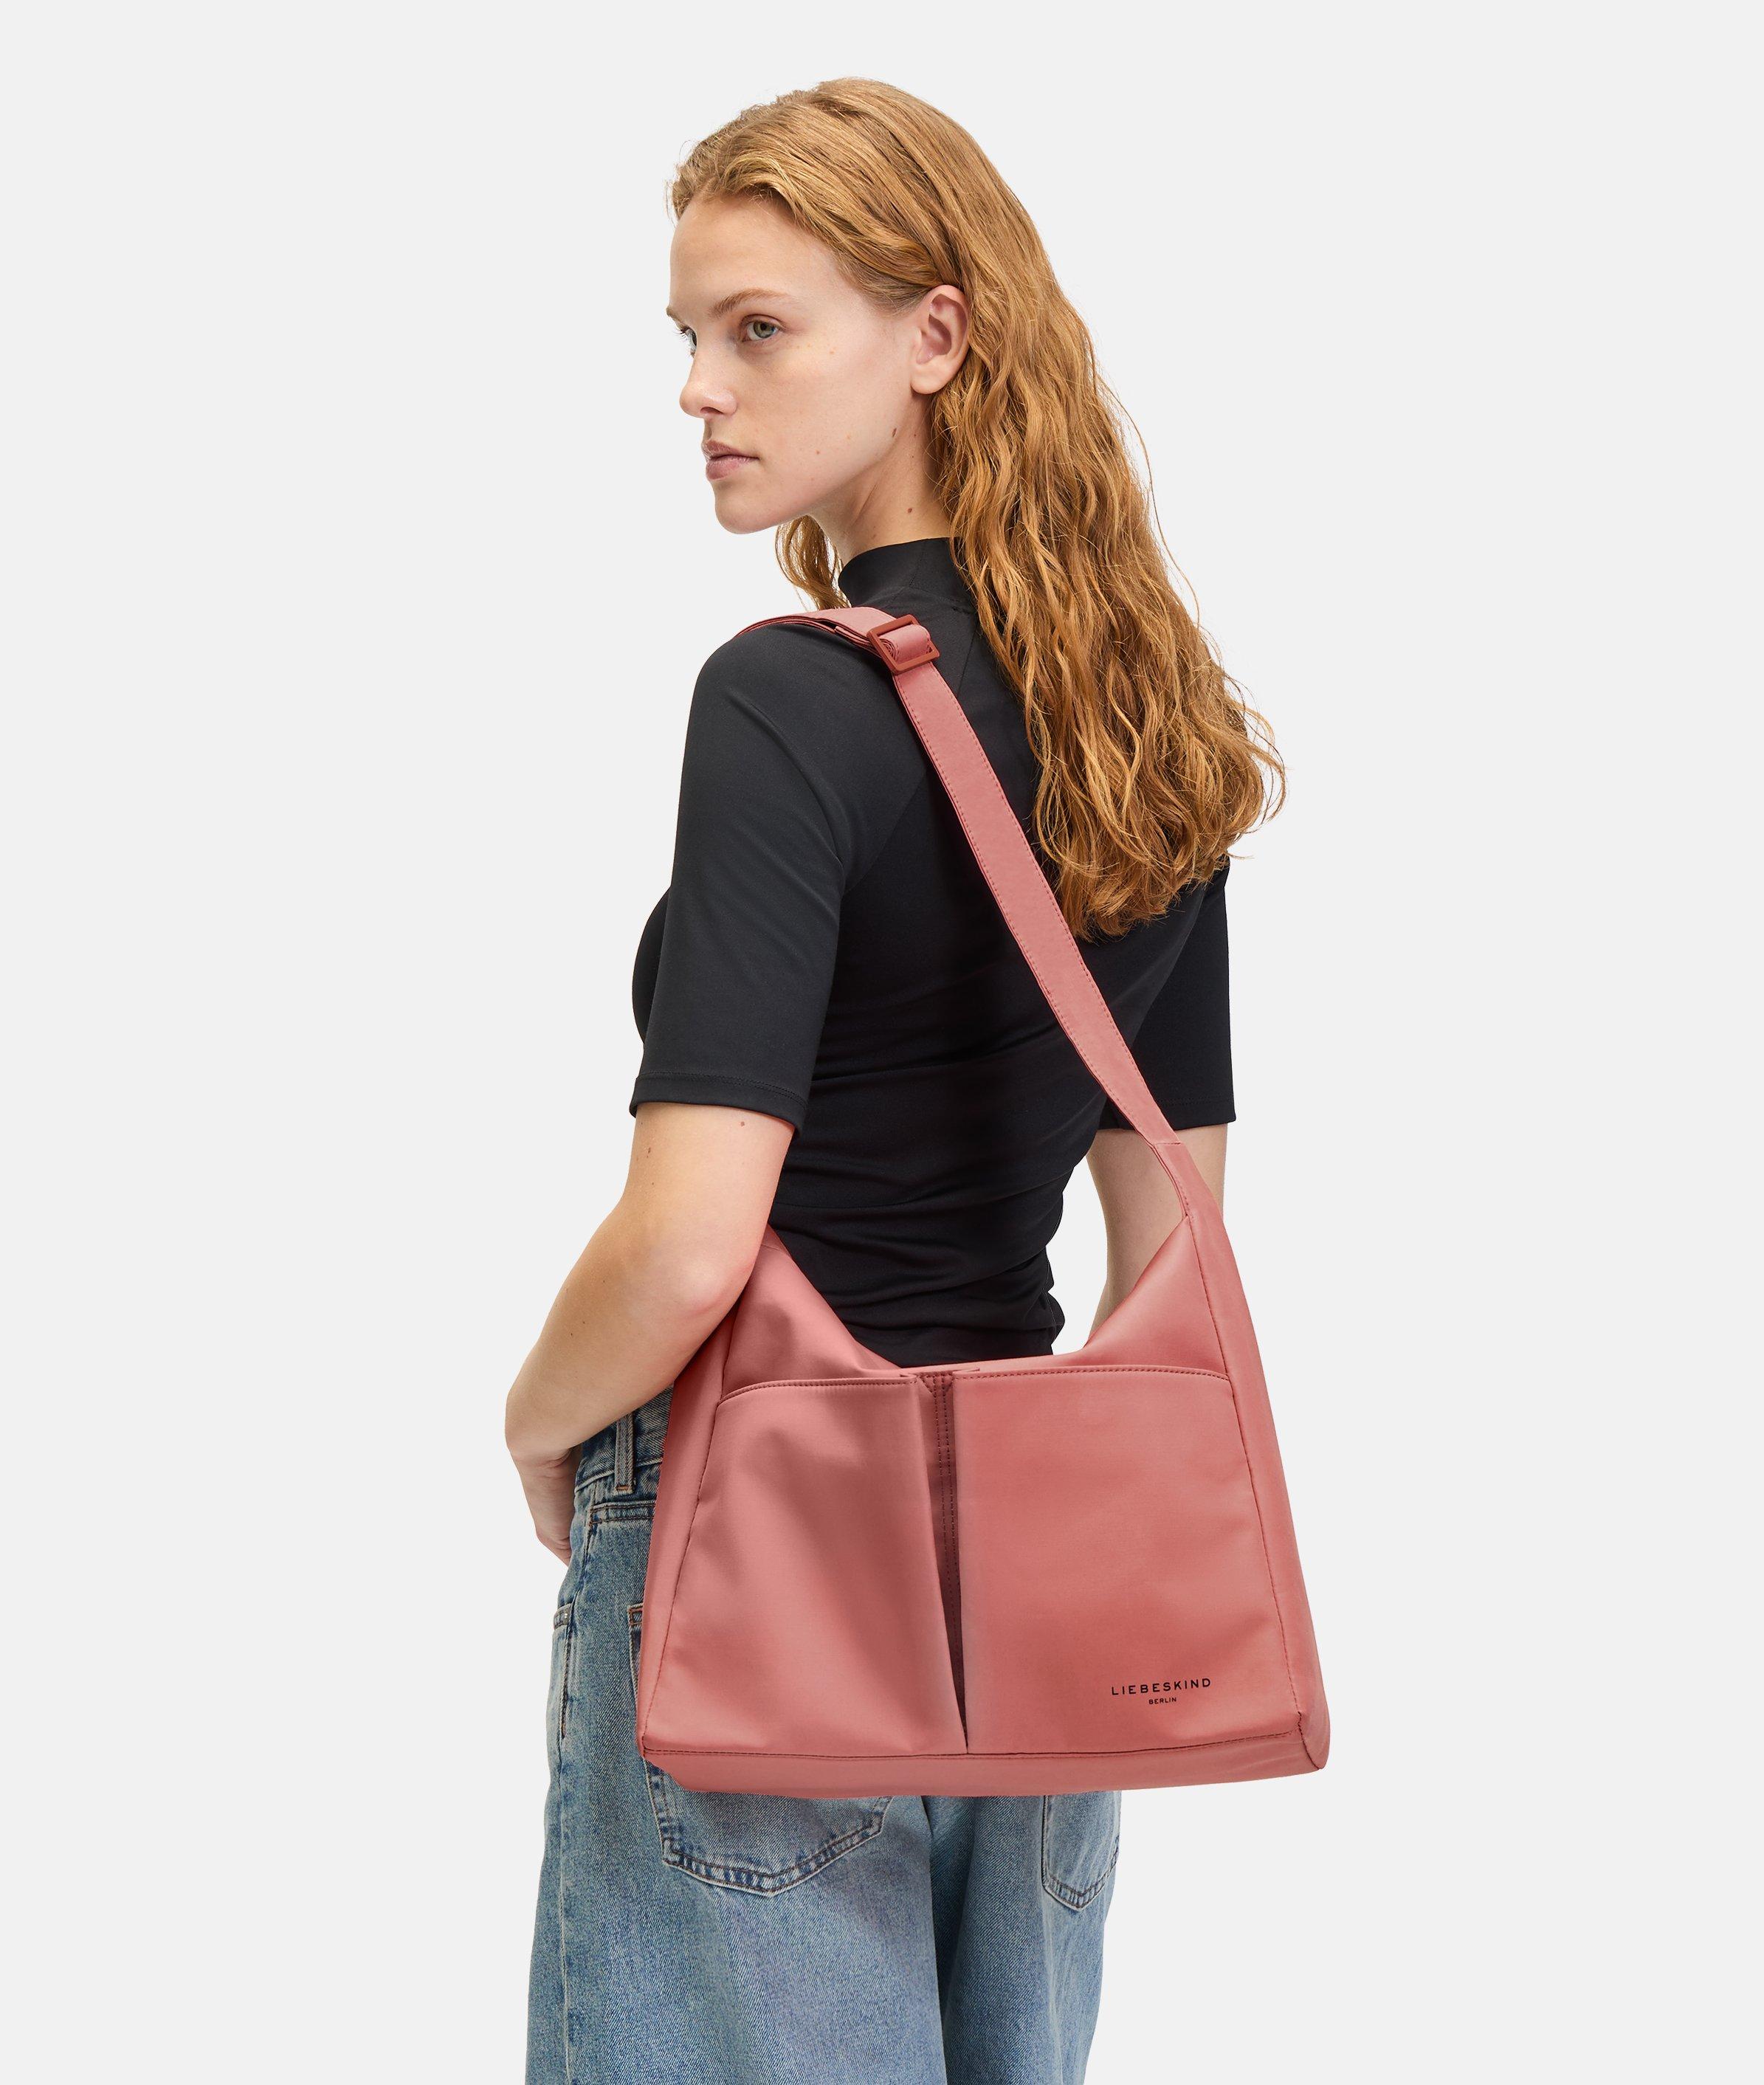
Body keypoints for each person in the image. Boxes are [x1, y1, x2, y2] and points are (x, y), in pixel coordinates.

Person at [506, 77, 1284, 2085]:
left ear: (936, 335)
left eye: (758, 328)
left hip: (761, 1514)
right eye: (689, 333)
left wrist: (539, 1418)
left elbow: (692, 1244)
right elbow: (1172, 1229)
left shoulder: (788, 696)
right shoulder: (1143, 715)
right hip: (1037, 1553)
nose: (700, 386)